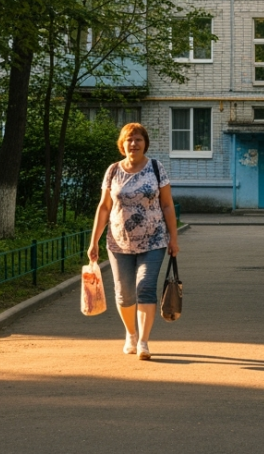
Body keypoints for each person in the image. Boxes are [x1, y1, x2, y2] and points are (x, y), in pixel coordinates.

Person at [88, 122, 180, 360]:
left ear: (145, 143)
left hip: (154, 240)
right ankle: (130, 334)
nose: (134, 144)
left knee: (145, 287)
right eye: (129, 139)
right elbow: (104, 207)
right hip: (119, 242)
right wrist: (94, 241)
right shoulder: (113, 171)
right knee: (124, 293)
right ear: (122, 144)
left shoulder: (156, 168)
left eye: (138, 139)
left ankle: (143, 342)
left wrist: (173, 238)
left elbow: (167, 204)